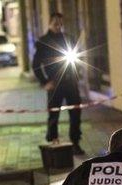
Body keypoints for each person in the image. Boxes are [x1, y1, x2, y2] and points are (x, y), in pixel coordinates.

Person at [32, 12, 85, 155]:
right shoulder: (43, 41)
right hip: (54, 83)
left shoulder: (68, 39)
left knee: (75, 113)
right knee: (54, 114)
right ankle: (53, 143)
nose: (58, 26)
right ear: (49, 23)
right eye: (55, 23)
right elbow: (36, 65)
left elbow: (77, 56)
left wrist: (77, 73)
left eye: (60, 23)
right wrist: (45, 82)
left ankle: (75, 142)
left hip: (70, 82)